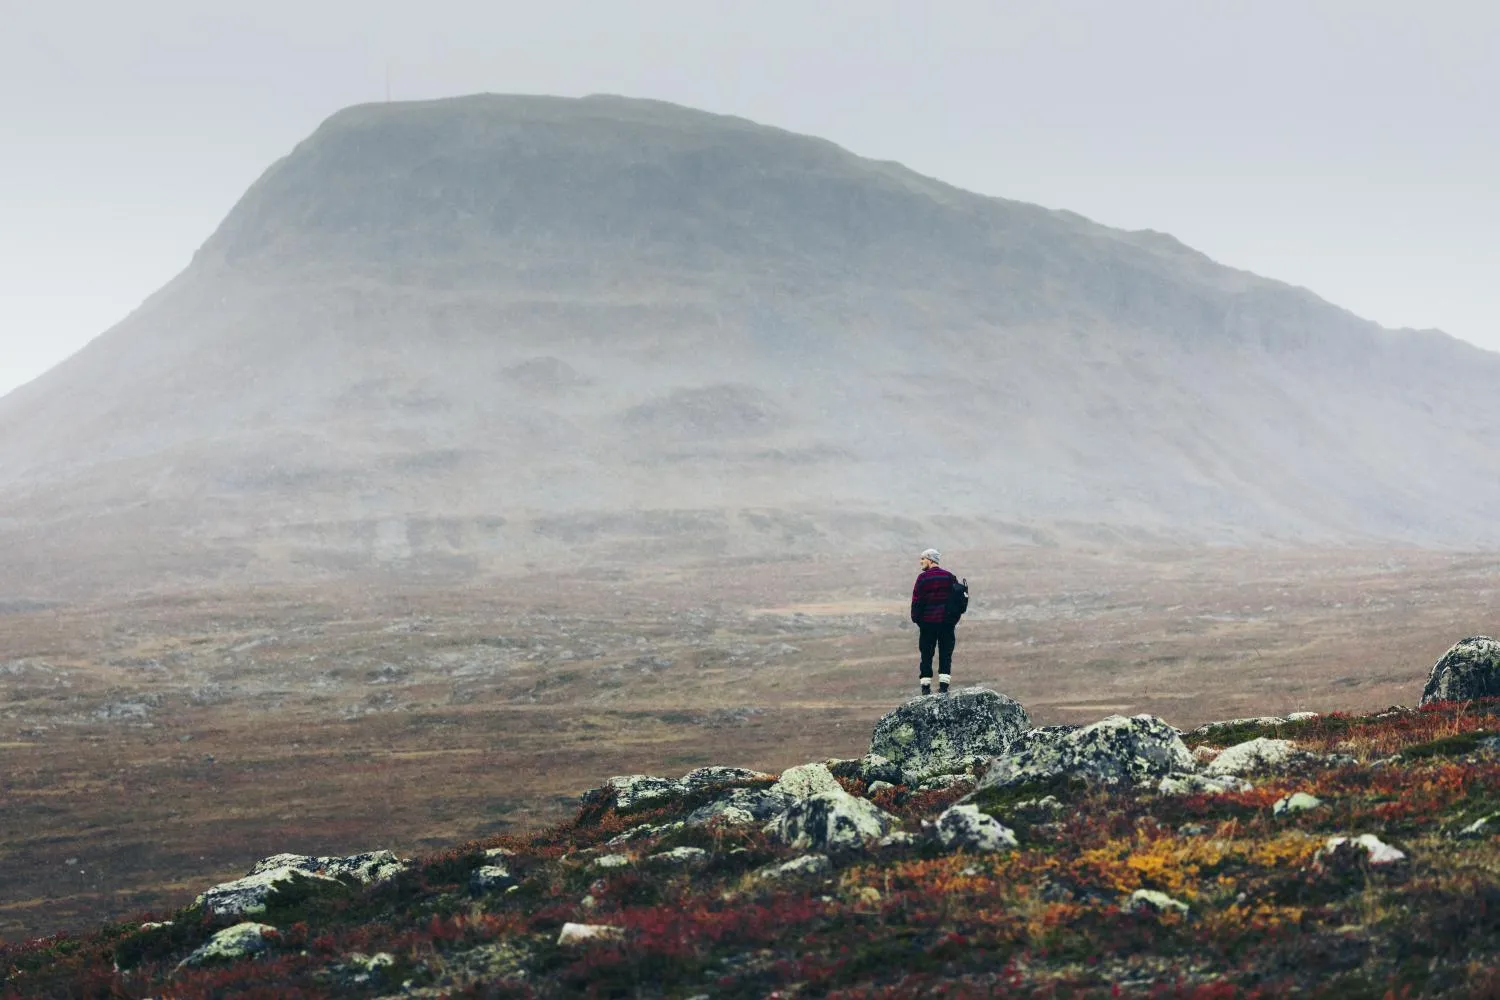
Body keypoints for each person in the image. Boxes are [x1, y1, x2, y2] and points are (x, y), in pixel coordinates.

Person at [910, 547, 959, 696]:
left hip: (927, 624)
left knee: (926, 654)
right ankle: (944, 687)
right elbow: (957, 601)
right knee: (945, 654)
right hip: (946, 623)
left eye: (923, 559)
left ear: (931, 560)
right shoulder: (950, 577)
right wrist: (952, 619)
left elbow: (917, 601)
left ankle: (925, 688)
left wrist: (917, 619)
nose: (921, 562)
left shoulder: (922, 578)